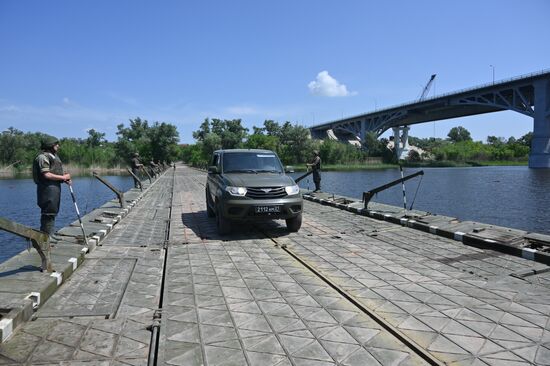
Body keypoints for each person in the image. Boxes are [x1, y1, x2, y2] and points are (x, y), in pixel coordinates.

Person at [32, 136, 71, 239]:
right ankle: (46, 237)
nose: (58, 146)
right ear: (50, 145)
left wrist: (64, 180)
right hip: (46, 188)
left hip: (54, 187)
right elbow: (46, 175)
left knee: (53, 210)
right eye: (55, 144)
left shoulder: (53, 156)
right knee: (48, 211)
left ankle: (50, 234)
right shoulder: (42, 157)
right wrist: (63, 177)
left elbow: (54, 172)